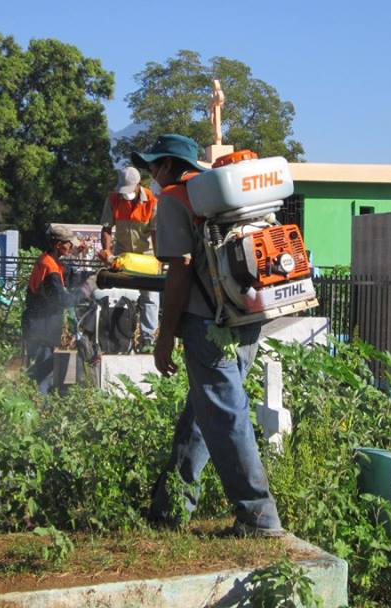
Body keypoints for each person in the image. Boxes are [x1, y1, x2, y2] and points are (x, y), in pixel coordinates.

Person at [131, 133, 284, 537]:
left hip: (207, 324)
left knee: (225, 414)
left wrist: (165, 335)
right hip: (247, 316)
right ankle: (172, 506)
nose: (150, 174)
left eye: (152, 166)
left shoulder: (174, 199)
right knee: (204, 409)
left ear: (166, 165)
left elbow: (179, 272)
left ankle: (258, 516)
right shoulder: (220, 194)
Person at [23, 224, 91, 393]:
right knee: (41, 374)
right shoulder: (50, 267)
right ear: (58, 245)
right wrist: (85, 291)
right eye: (69, 244)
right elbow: (62, 300)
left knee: (42, 370)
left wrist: (95, 274)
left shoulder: (50, 260)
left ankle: (38, 403)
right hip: (41, 327)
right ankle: (39, 408)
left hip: (40, 325)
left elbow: (69, 276)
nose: (72, 247)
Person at [98, 166, 159, 351]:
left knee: (150, 297)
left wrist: (159, 259)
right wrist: (107, 252)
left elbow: (156, 233)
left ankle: (148, 338)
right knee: (120, 294)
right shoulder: (113, 199)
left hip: (146, 255)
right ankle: (119, 336)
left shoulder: (151, 201)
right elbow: (107, 228)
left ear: (138, 185)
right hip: (122, 254)